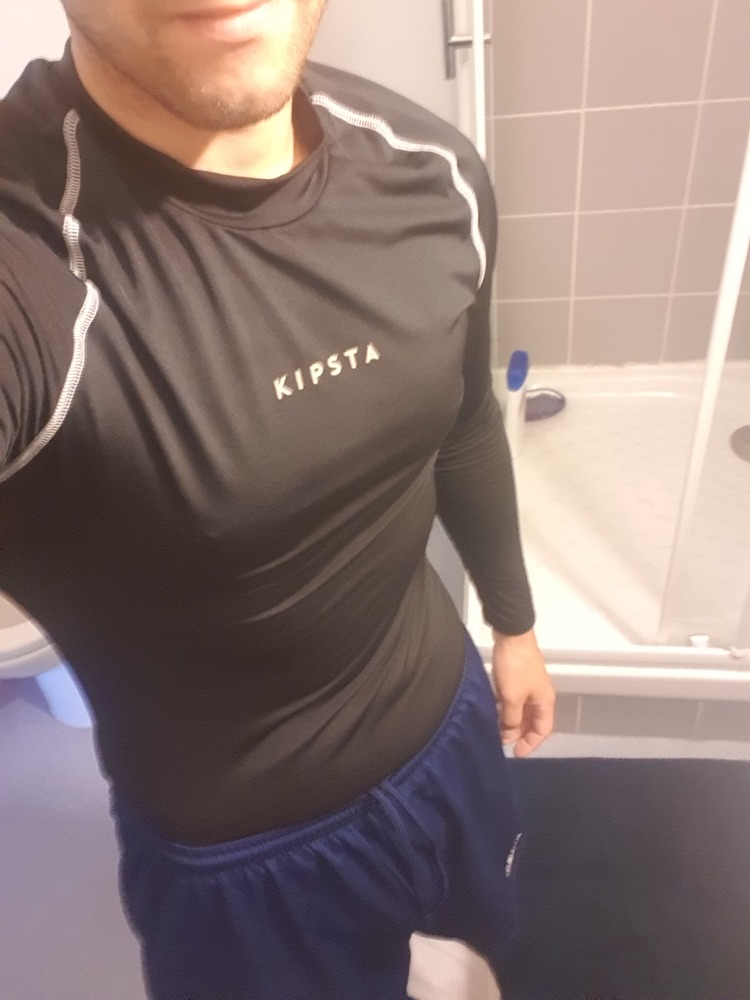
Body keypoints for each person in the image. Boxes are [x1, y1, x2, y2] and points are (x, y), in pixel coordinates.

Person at [0, 1, 556, 997]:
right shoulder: (31, 255)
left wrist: (514, 627)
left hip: (449, 723)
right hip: (250, 860)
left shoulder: (431, 168)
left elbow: (467, 422)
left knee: (480, 965)